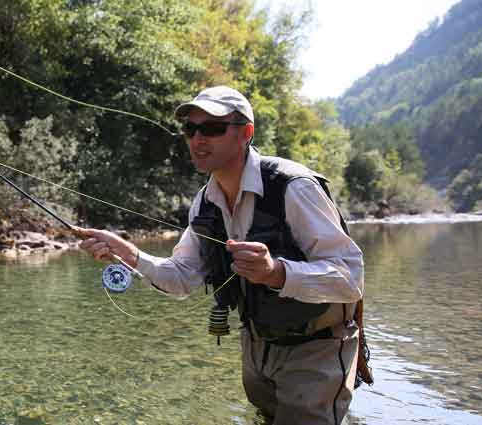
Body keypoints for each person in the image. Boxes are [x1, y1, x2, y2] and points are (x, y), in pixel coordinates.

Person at [77, 86, 366, 425]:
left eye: (212, 128)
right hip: (256, 348)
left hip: (316, 349)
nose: (198, 139)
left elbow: (351, 278)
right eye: (190, 129)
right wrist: (130, 254)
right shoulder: (204, 202)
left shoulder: (294, 187)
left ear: (245, 133)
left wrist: (277, 273)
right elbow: (182, 279)